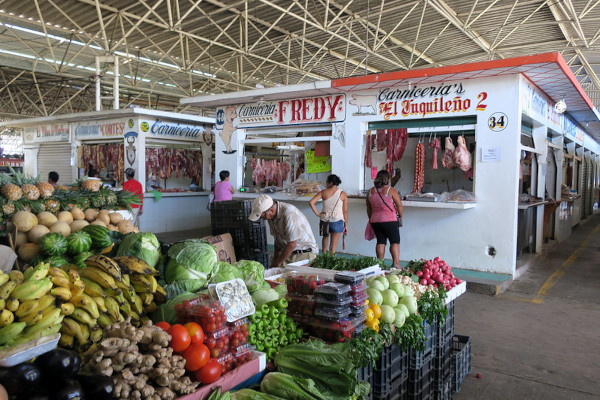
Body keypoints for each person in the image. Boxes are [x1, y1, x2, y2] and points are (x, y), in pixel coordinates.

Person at [249, 194, 318, 268]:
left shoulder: (289, 213)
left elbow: (292, 244)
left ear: (270, 211)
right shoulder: (271, 216)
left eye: (262, 217)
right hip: (289, 252)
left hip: (303, 253)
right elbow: (277, 240)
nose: (263, 219)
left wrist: (277, 263)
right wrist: (275, 260)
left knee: (295, 278)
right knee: (274, 274)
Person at [366, 170, 403, 268]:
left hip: (375, 221)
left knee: (381, 241)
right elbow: (399, 205)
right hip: (390, 220)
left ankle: (380, 264)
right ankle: (396, 263)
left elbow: (369, 208)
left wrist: (371, 219)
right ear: (388, 179)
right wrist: (400, 216)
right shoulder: (391, 190)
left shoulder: (370, 192)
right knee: (394, 241)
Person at [309, 174, 348, 253]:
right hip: (337, 220)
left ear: (330, 182)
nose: (326, 183)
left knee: (325, 237)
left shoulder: (323, 192)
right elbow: (345, 211)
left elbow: (311, 202)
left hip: (324, 220)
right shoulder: (343, 194)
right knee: (333, 245)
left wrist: (318, 214)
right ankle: (331, 259)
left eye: (327, 182)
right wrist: (346, 224)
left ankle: (323, 254)